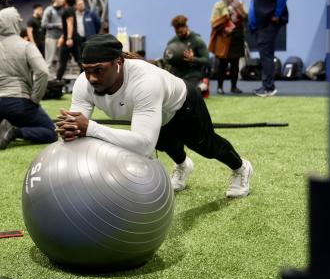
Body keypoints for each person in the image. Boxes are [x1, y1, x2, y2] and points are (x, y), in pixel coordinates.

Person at [55, 34, 254, 199]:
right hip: (153, 111)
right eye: (87, 70)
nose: (92, 78)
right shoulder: (84, 83)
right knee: (167, 145)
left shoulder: (145, 82)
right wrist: (70, 130)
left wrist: (90, 128)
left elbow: (143, 146)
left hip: (183, 104)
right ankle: (183, 166)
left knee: (205, 145)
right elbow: (76, 126)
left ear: (118, 63)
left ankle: (241, 167)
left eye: (99, 70)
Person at [0, 7, 56, 150]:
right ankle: (14, 132)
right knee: (50, 132)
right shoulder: (26, 46)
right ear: (14, 23)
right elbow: (43, 72)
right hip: (18, 103)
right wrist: (35, 98)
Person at [248, 0, 289, 97]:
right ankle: (267, 86)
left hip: (267, 27)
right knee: (266, 57)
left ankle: (268, 88)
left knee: (266, 57)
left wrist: (277, 15)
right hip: (261, 28)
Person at [209, 0, 247, 94]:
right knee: (223, 64)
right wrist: (229, 10)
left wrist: (239, 8)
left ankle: (234, 86)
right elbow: (213, 22)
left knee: (235, 64)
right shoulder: (219, 5)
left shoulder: (239, 3)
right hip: (224, 37)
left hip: (237, 36)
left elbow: (246, 17)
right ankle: (220, 87)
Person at [165, 15, 210, 90]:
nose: (179, 34)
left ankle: (203, 85)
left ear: (186, 27)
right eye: (177, 32)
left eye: (181, 31)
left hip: (193, 74)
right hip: (176, 74)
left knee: (189, 92)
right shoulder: (172, 42)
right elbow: (167, 61)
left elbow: (207, 60)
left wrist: (193, 59)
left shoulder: (197, 40)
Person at [55, 0, 81, 82]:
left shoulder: (67, 10)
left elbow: (70, 24)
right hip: (71, 39)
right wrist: (63, 37)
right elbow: (68, 26)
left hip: (71, 40)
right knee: (78, 61)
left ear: (66, 0)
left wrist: (69, 38)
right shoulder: (70, 10)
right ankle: (58, 80)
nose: (61, 0)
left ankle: (58, 80)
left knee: (63, 62)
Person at [41, 0, 66, 70]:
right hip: (51, 38)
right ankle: (47, 79)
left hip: (61, 38)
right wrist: (57, 25)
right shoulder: (49, 10)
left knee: (60, 60)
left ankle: (58, 79)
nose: (63, 0)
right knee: (49, 60)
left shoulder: (64, 10)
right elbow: (43, 24)